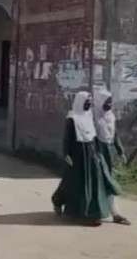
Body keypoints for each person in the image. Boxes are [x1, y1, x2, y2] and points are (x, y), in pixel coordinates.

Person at [51, 91, 122, 227]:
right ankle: (58, 201)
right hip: (77, 154)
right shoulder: (72, 118)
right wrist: (66, 154)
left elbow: (93, 136)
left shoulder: (89, 116)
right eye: (86, 102)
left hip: (91, 154)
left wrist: (98, 154)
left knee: (91, 183)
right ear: (80, 102)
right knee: (73, 182)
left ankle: (90, 214)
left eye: (90, 102)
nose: (89, 104)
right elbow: (67, 139)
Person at [93, 88, 131, 225]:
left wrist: (120, 151)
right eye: (107, 102)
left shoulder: (110, 116)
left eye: (111, 102)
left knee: (108, 181)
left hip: (108, 152)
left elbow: (114, 135)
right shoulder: (93, 117)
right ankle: (96, 212)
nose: (109, 105)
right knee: (98, 182)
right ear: (99, 101)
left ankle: (115, 213)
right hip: (96, 152)